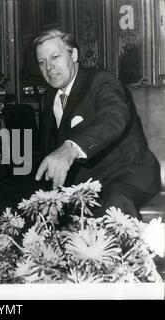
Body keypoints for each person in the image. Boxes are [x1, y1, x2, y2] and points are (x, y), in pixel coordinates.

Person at [33, 29, 161, 219]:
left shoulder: (101, 81)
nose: (49, 67)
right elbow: (53, 153)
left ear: (73, 54)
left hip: (125, 175)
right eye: (42, 62)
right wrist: (50, 196)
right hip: (84, 185)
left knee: (114, 206)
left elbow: (115, 116)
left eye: (55, 57)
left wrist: (71, 148)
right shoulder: (49, 97)